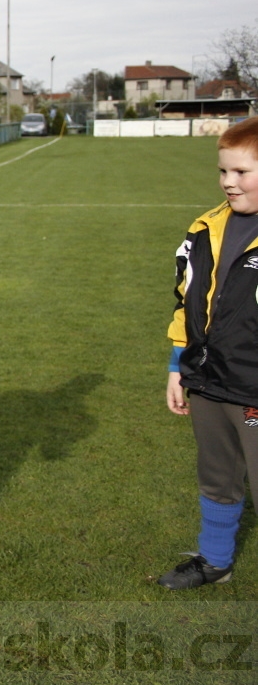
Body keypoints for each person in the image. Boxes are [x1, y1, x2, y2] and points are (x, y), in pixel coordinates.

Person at [161, 116, 258, 590]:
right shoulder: (204, 228)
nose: (228, 182)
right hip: (207, 379)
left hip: (254, 388)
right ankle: (215, 560)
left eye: (242, 172)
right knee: (217, 476)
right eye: (223, 171)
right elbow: (186, 302)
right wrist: (178, 366)